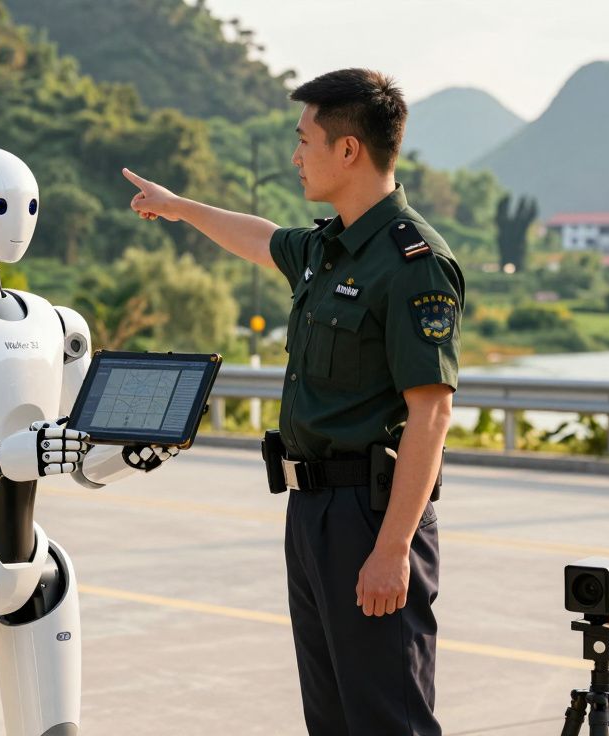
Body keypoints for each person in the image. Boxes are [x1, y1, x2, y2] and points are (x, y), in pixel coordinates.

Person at [122, 68, 462, 735]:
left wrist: (393, 548)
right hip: (311, 513)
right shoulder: (328, 249)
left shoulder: (412, 261)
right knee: (331, 718)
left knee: (388, 719)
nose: (294, 155)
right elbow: (259, 237)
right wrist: (180, 206)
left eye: (304, 140)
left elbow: (432, 415)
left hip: (371, 515)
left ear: (348, 151)